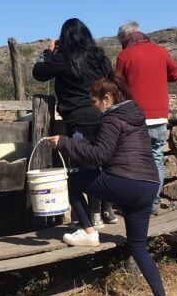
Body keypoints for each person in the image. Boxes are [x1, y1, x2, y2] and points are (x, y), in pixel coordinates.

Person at [48, 72, 175, 296]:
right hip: (148, 185)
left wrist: (65, 142)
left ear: (107, 98)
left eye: (95, 101)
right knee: (139, 246)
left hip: (126, 182)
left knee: (73, 179)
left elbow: (100, 156)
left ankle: (88, 231)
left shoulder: (111, 119)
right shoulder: (135, 116)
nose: (94, 107)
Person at [32, 18, 118, 228]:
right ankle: (106, 209)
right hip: (102, 113)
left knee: (83, 165)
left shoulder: (64, 58)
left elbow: (39, 73)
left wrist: (48, 52)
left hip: (78, 117)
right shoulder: (100, 57)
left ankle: (93, 214)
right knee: (104, 160)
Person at [114, 21, 177, 213]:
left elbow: (116, 86)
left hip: (135, 117)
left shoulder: (125, 55)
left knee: (132, 161)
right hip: (159, 116)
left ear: (125, 39)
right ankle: (153, 203)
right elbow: (175, 75)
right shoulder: (160, 51)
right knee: (157, 158)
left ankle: (136, 203)